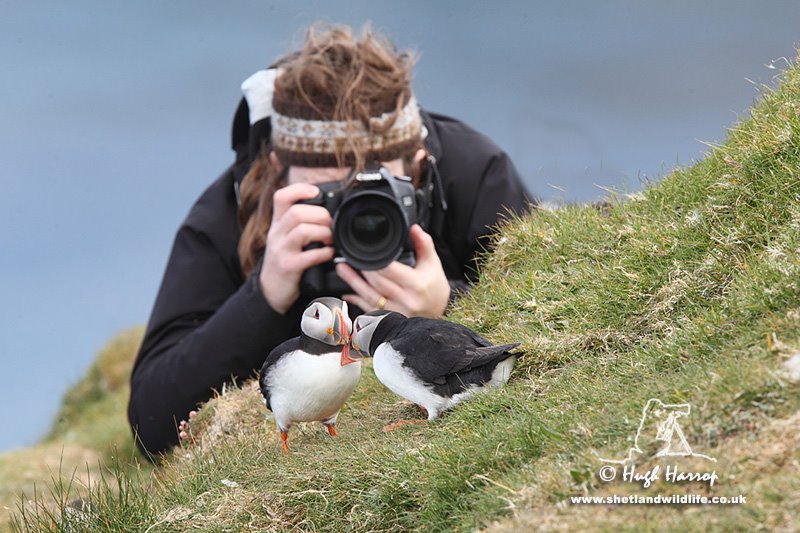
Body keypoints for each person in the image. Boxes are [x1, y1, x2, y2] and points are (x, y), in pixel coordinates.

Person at [128, 24, 533, 458]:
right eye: (329, 199)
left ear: (418, 165)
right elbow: (151, 424)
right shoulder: (227, 212)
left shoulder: (472, 171)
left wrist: (443, 306)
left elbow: (551, 301)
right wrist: (263, 297)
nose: (351, 220)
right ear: (276, 167)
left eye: (375, 196)